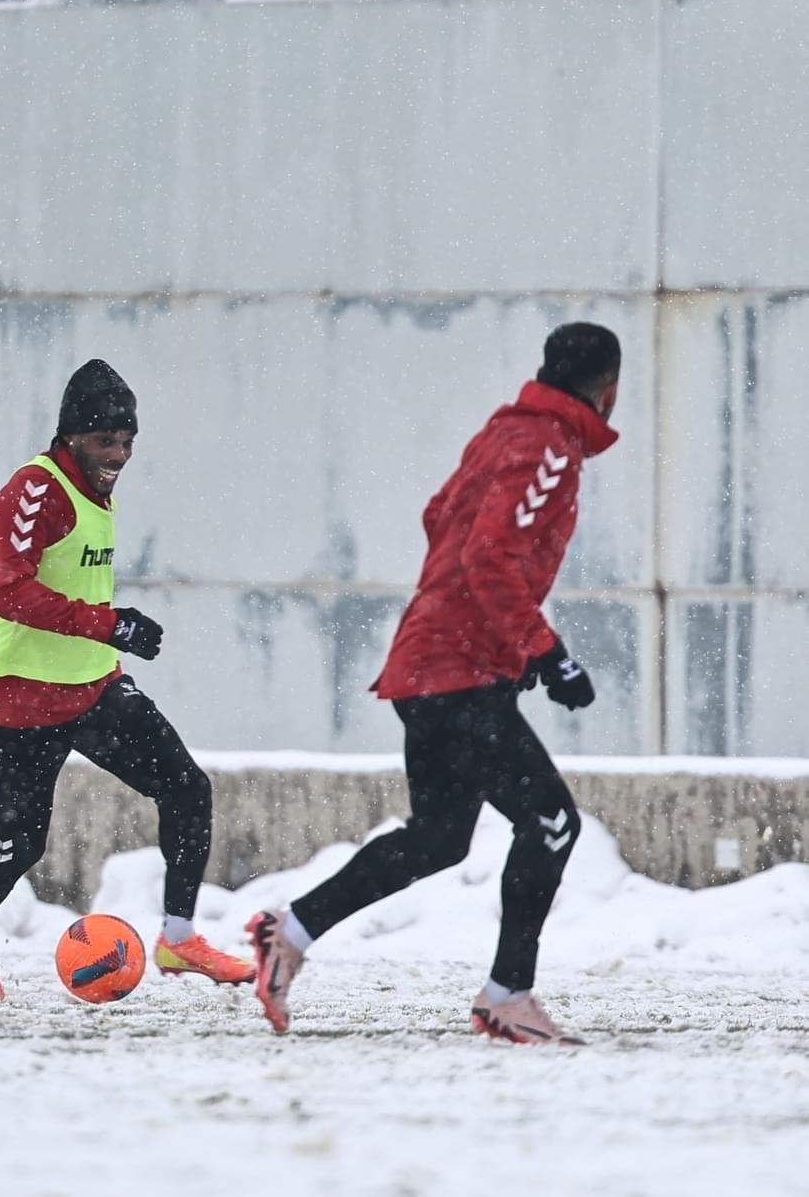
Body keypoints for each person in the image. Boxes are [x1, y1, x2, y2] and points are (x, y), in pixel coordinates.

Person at [247, 322, 622, 1044]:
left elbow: (438, 516)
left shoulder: (504, 433)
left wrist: (479, 627)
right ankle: (507, 995)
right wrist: (544, 651)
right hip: (458, 673)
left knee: (440, 837)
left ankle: (287, 932)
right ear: (609, 388)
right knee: (550, 821)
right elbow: (489, 556)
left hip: (431, 664)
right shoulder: (548, 447)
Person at [0, 358, 253, 1000]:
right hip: (14, 698)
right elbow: (7, 592)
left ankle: (180, 938)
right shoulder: (34, 490)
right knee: (20, 843)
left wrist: (110, 640)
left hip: (90, 689)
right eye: (107, 441)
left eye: (129, 442)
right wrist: (109, 624)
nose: (120, 454)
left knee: (187, 790)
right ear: (72, 435)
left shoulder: (95, 489)